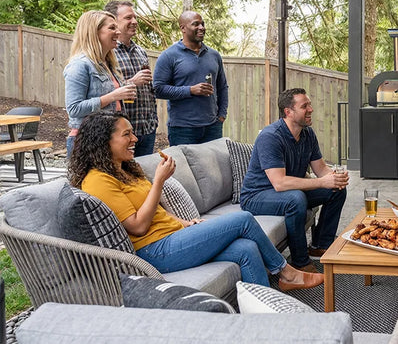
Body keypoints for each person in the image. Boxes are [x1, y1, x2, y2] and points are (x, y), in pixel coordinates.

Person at [68, 111, 323, 291]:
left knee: (246, 248)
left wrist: (184, 223)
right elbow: (138, 226)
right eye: (127, 134)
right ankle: (285, 272)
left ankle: (262, 319)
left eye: (133, 133)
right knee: (243, 219)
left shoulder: (125, 169)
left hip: (172, 237)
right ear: (104, 141)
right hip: (154, 251)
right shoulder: (98, 180)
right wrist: (159, 181)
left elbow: (156, 212)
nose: (135, 139)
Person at [239, 88, 347, 273]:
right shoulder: (271, 137)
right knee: (295, 199)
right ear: (288, 112)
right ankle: (300, 262)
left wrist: (335, 177)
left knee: (336, 190)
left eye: (309, 105)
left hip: (287, 191)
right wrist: (322, 182)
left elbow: (320, 169)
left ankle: (321, 245)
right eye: (304, 106)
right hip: (257, 196)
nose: (311, 109)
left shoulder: (307, 134)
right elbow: (280, 183)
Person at [64, 10, 137, 158]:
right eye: (112, 28)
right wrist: (113, 96)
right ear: (94, 32)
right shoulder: (80, 65)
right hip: (87, 141)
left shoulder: (108, 64)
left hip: (109, 139)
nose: (118, 32)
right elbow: (74, 109)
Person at [153, 11, 229, 145]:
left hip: (212, 128)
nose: (201, 27)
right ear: (183, 28)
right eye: (196, 24)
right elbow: (158, 89)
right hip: (182, 130)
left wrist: (222, 115)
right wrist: (190, 90)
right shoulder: (169, 56)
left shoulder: (214, 55)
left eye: (202, 24)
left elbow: (222, 87)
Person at [105, 0, 158, 156]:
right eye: (128, 18)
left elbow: (149, 90)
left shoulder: (140, 51)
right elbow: (104, 91)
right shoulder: (108, 52)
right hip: (122, 132)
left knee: (144, 171)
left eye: (135, 17)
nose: (134, 21)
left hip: (147, 130)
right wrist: (132, 82)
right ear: (114, 21)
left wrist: (153, 121)